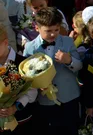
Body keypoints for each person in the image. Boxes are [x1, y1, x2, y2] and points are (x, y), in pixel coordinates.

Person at [23, 7, 82, 135]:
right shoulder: (30, 48)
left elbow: (79, 66)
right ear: (37, 28)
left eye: (56, 30)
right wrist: (37, 86)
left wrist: (69, 60)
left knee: (71, 129)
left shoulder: (67, 41)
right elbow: (26, 75)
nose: (53, 34)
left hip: (69, 96)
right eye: (48, 31)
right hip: (45, 100)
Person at [0, 23, 38, 135]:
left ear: (5, 42)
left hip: (22, 121)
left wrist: (15, 107)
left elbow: (32, 91)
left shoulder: (22, 63)